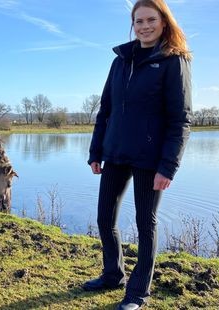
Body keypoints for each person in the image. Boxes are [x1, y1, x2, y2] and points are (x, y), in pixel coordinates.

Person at [82, 0, 192, 309]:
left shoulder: (173, 61)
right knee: (105, 218)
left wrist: (168, 167)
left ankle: (138, 293)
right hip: (116, 152)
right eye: (138, 21)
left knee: (146, 224)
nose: (144, 26)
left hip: (150, 158)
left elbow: (180, 119)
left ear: (163, 22)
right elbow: (106, 109)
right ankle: (112, 273)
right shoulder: (121, 60)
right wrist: (96, 151)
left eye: (150, 20)